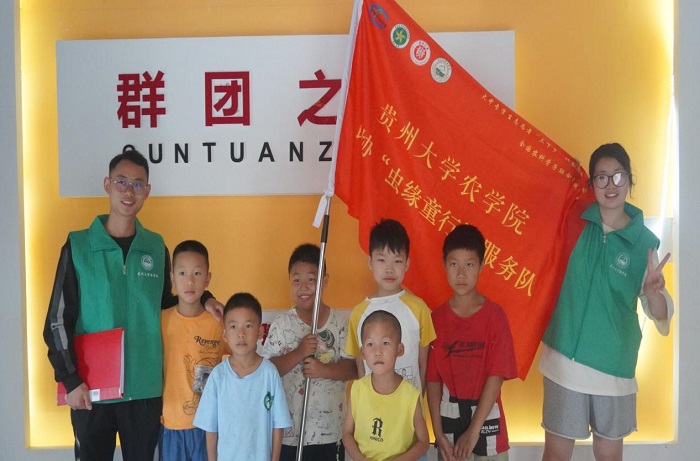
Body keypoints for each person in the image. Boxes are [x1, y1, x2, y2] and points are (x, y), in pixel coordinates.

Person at [43, 146, 221, 461]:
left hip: (145, 392)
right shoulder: (78, 246)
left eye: (138, 184)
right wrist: (70, 380)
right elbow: (57, 320)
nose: (129, 191)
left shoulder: (155, 246)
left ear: (147, 191)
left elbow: (167, 303)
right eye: (122, 182)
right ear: (107, 185)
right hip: (91, 390)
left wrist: (205, 298)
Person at [538, 143, 674, 461]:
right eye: (601, 177)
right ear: (591, 184)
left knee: (609, 457)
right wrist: (559, 172)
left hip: (613, 370)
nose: (610, 185)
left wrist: (653, 292)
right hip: (564, 363)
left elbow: (662, 314)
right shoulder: (573, 220)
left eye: (618, 176)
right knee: (555, 455)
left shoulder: (645, 244)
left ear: (629, 180)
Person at [426, 224, 517, 461]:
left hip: (488, 424)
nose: (461, 274)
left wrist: (474, 431)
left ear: (481, 266)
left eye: (469, 264)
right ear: (444, 265)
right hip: (449, 427)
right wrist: (438, 433)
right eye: (454, 264)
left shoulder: (495, 316)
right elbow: (433, 381)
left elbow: (496, 376)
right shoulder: (436, 320)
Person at [263, 243, 357, 461]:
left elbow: (353, 368)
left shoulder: (340, 323)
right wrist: (299, 353)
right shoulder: (282, 324)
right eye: (296, 280)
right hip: (288, 434)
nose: (303, 287)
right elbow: (267, 370)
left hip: (330, 432)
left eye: (311, 279)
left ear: (325, 281)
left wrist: (323, 370)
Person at [194, 292, 292, 461]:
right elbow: (211, 427)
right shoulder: (218, 375)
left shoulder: (269, 373)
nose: (241, 333)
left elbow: (278, 424)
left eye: (248, 326)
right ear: (225, 335)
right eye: (233, 327)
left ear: (260, 332)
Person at [345, 219, 436, 393]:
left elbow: (424, 364)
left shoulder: (419, 309)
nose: (389, 269)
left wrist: (418, 400)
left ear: (407, 264)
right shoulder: (358, 313)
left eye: (397, 261)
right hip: (372, 406)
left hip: (409, 406)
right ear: (370, 262)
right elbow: (361, 367)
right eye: (381, 260)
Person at [161, 240, 229, 461]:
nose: (189, 281)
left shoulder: (218, 322)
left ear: (208, 278)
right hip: (171, 425)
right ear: (172, 277)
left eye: (197, 273)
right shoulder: (161, 320)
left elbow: (242, 358)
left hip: (209, 426)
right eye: (182, 273)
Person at [342, 310, 430, 461]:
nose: (378, 352)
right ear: (362, 352)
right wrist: (359, 458)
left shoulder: (410, 395)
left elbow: (424, 442)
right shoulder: (357, 389)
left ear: (399, 349)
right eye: (370, 344)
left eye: (385, 343)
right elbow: (347, 433)